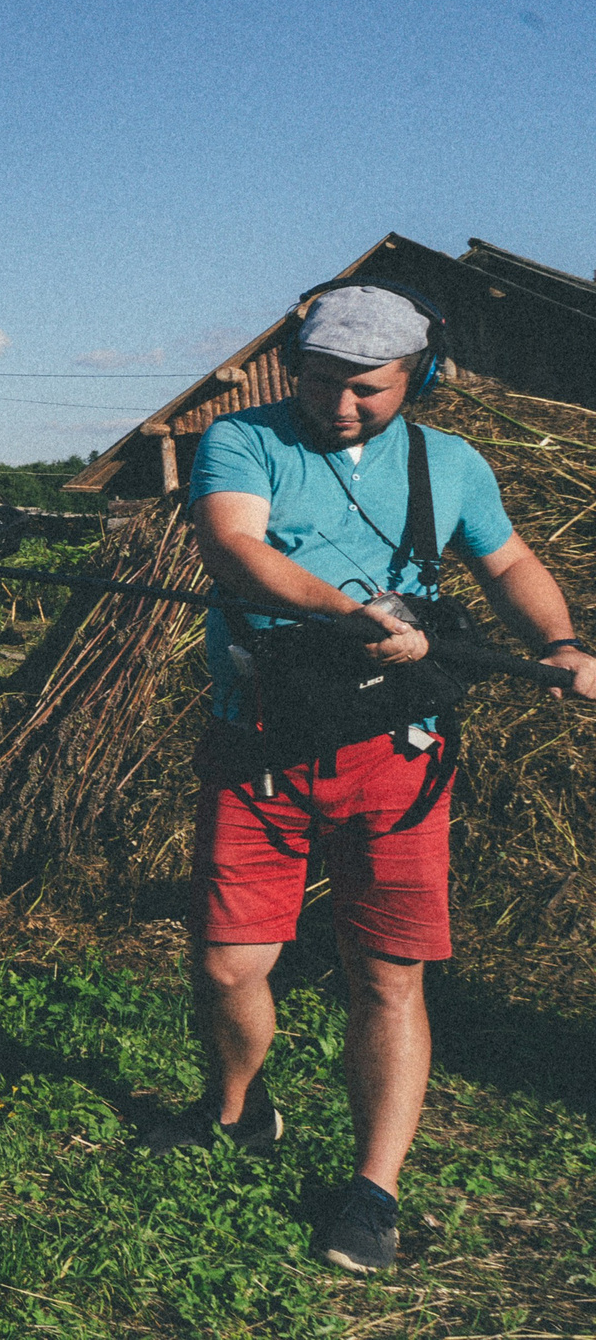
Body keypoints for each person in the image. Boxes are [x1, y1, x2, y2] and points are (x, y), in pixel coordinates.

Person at [149, 282, 594, 1275]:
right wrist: (346, 614)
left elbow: (509, 559)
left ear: (416, 377)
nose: (339, 406)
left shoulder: (451, 465)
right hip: (257, 741)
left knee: (386, 977)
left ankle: (372, 1190)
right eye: (320, 381)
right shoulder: (242, 440)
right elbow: (233, 544)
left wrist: (559, 640)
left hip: (398, 757)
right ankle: (236, 1109)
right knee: (228, 964)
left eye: (367, 389)